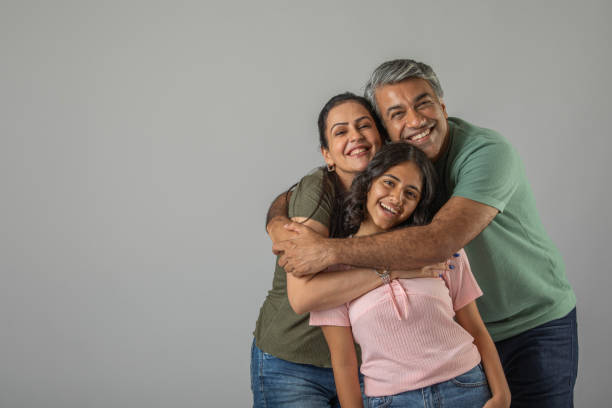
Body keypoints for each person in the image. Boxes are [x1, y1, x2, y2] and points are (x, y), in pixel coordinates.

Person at [270, 60, 577, 407]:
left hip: (531, 322)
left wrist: (330, 252)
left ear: (443, 107)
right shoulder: (401, 169)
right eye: (397, 113)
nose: (415, 121)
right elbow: (319, 179)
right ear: (385, 131)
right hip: (460, 339)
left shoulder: (487, 153)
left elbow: (440, 242)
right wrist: (277, 216)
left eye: (424, 103)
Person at [252, 92, 446, 407]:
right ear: (327, 155)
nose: (355, 136)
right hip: (294, 362)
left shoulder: (399, 194)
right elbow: (304, 297)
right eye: (341, 132)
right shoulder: (317, 190)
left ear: (381, 138)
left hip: (366, 364)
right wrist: (393, 271)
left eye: (363, 126)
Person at [310, 142, 510, 408]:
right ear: (369, 181)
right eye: (389, 183)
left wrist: (502, 395)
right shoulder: (334, 269)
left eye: (411, 193)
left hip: (465, 388)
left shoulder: (441, 251)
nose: (396, 198)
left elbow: (475, 328)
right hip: (392, 401)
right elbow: (344, 362)